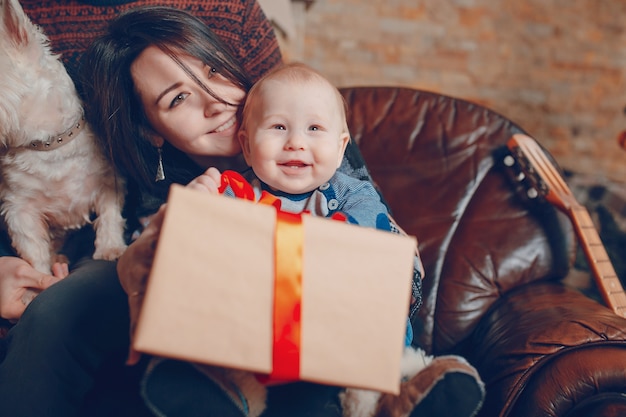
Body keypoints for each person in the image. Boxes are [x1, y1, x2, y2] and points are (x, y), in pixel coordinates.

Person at [0, 1, 282, 416]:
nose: (214, 102)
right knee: (61, 311)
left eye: (215, 71)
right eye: (178, 98)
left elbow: (299, 101)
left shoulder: (234, 12)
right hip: (104, 248)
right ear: (150, 130)